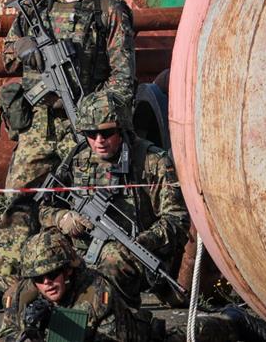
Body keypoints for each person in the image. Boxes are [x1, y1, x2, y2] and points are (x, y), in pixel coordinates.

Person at [0, 0, 136, 311]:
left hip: (86, 126)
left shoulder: (110, 10)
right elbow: (9, 55)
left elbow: (123, 77)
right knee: (20, 199)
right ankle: (8, 284)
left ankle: (81, 285)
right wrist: (26, 48)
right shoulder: (40, 6)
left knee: (89, 206)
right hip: (41, 124)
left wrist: (100, 117)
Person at [38, 91, 189, 308]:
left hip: (135, 254)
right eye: (91, 134)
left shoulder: (152, 161)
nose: (99, 141)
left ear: (122, 129)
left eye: (107, 133)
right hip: (82, 249)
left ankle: (113, 314)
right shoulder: (77, 158)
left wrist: (143, 241)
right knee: (40, 255)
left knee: (111, 261)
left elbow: (177, 219)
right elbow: (44, 206)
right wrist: (62, 218)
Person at [0, 228, 162, 342]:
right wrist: (28, 335)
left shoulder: (96, 293)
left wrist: (58, 326)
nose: (46, 283)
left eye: (52, 274)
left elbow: (112, 338)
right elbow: (3, 335)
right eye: (38, 278)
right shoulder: (19, 297)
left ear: (67, 271)